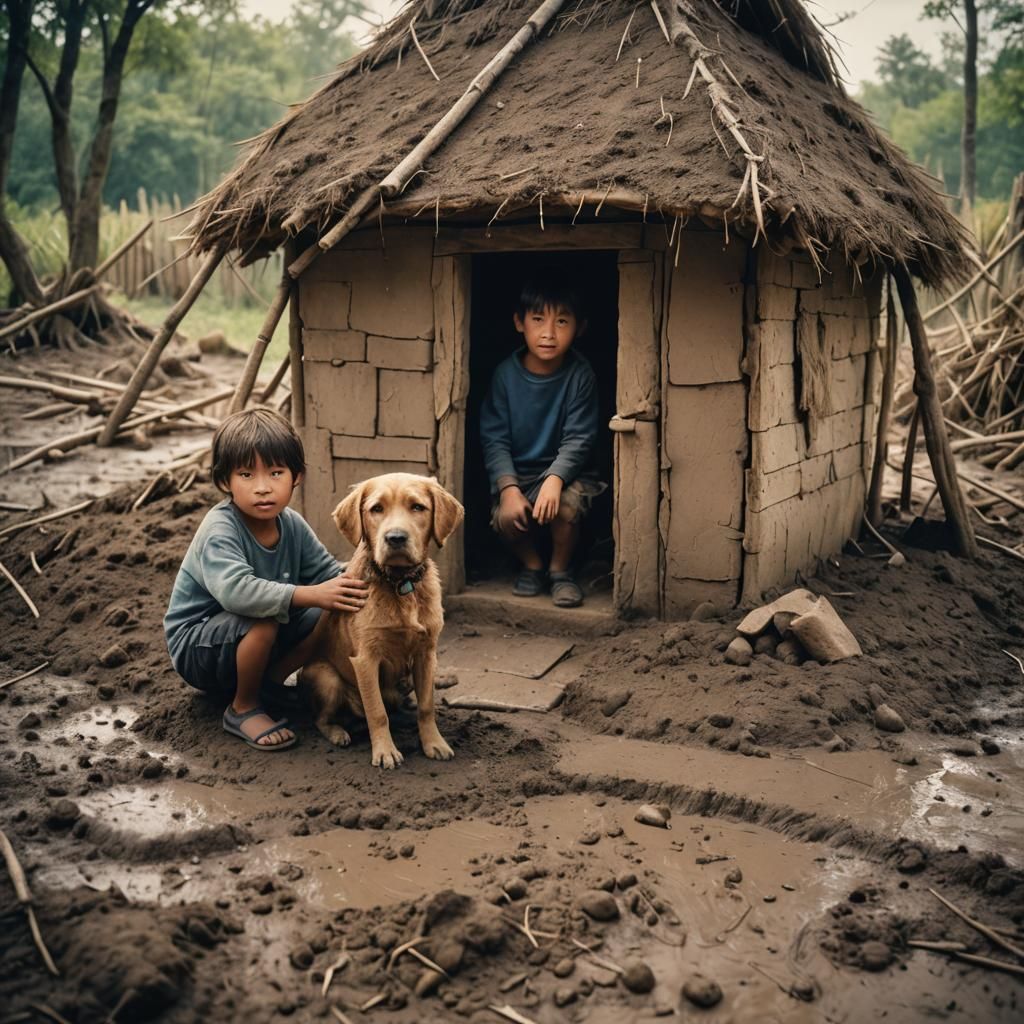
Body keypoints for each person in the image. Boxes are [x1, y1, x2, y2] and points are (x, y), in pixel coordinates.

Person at [164, 408, 368, 751]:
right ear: (224, 481)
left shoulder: (292, 525)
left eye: (275, 473)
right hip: (199, 648)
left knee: (332, 607)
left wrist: (369, 573)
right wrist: (311, 594)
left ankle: (269, 686)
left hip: (254, 635)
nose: (262, 488)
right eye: (246, 474)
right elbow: (238, 593)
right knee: (265, 620)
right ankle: (243, 707)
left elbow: (331, 576)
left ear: (296, 477)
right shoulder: (221, 529)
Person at [479, 273, 604, 608]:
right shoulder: (505, 375)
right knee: (508, 516)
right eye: (538, 319)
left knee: (565, 506)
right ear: (520, 323)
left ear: (580, 327)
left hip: (568, 473)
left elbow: (579, 438)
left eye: (562, 321)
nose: (549, 333)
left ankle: (559, 571)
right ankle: (532, 565)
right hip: (520, 472)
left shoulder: (580, 375)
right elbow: (494, 438)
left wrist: (555, 479)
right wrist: (507, 488)